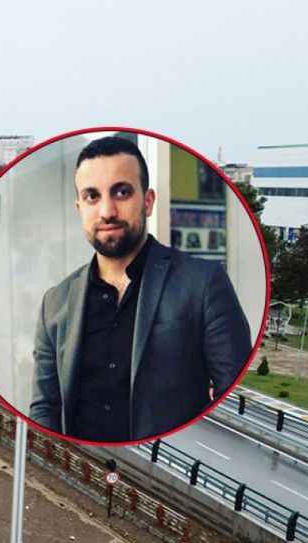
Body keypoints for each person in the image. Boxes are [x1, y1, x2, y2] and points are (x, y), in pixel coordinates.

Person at [29, 136, 251, 443]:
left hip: (167, 470)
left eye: (121, 192)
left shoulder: (202, 283)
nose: (107, 211)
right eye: (92, 196)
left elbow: (234, 398)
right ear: (79, 207)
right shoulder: (55, 303)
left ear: (147, 201)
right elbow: (45, 407)